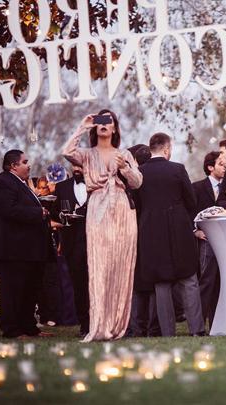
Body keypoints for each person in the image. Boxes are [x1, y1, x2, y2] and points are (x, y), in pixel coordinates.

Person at [63, 110, 143, 341]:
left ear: (115, 128)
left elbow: (137, 182)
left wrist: (125, 168)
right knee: (100, 266)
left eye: (109, 121)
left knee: (121, 265)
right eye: (100, 121)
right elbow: (66, 152)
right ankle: (99, 324)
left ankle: (119, 324)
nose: (104, 124)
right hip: (98, 207)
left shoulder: (124, 153)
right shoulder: (87, 155)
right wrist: (82, 125)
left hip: (122, 209)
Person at [136, 133, 205, 337]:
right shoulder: (177, 169)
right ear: (166, 149)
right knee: (189, 279)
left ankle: (167, 332)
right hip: (179, 230)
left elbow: (137, 204)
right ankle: (197, 329)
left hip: (151, 233)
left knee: (161, 284)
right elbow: (191, 200)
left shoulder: (140, 172)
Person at [0, 150, 54, 338]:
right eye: (25, 162)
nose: (29, 165)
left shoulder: (22, 184)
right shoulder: (3, 182)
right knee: (12, 292)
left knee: (28, 291)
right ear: (13, 166)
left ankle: (29, 327)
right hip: (12, 250)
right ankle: (12, 330)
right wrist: (37, 213)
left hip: (28, 250)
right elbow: (8, 210)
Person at [126, 144, 161, 338]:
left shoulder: (134, 183)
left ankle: (137, 328)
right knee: (153, 284)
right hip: (151, 235)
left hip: (137, 234)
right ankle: (151, 327)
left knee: (138, 285)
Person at [53, 165, 89, 337]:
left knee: (97, 284)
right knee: (79, 285)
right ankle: (85, 325)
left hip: (96, 241)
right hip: (72, 243)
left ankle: (101, 321)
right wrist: (63, 216)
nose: (76, 168)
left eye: (80, 165)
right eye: (74, 165)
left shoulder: (98, 184)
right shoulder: (62, 187)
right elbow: (55, 214)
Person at [192, 151, 225, 329]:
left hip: (225, 241)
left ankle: (216, 325)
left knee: (220, 282)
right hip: (205, 242)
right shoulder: (196, 187)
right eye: (221, 164)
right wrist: (194, 231)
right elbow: (189, 211)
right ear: (210, 167)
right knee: (206, 281)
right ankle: (199, 325)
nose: (224, 167)